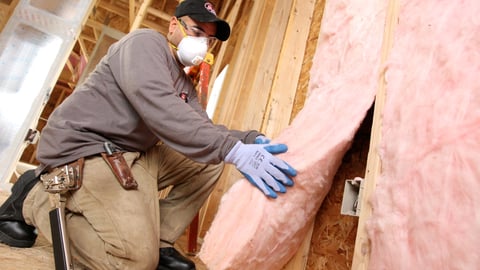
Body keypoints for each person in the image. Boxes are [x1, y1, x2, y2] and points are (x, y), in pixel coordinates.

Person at [0, 0, 297, 269]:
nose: (203, 44)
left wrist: (245, 140)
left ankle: (160, 241)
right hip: (86, 151)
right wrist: (233, 150)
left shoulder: (183, 84)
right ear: (173, 25)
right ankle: (34, 199)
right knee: (134, 263)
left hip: (131, 154)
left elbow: (201, 129)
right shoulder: (145, 44)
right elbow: (160, 108)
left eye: (208, 39)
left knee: (209, 159)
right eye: (196, 32)